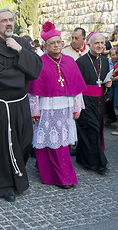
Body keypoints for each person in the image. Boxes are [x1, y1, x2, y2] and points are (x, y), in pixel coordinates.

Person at [0, 9, 42, 202]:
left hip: (21, 103)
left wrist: (20, 51)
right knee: (2, 146)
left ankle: (17, 176)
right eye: (4, 20)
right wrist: (22, 73)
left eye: (11, 20)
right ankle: (5, 185)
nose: (8, 23)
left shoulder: (22, 42)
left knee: (24, 141)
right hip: (1, 105)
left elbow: (36, 69)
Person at [28, 21, 86, 188]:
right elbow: (34, 91)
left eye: (58, 42)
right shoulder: (40, 62)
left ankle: (61, 173)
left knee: (61, 144)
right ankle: (52, 173)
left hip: (66, 107)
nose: (56, 45)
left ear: (63, 43)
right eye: (52, 43)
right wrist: (34, 111)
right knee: (47, 141)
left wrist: (76, 108)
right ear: (46, 46)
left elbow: (76, 88)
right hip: (46, 108)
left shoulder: (70, 61)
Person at [75, 33, 112, 175]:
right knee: (91, 130)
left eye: (102, 43)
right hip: (85, 101)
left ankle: (82, 156)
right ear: (89, 45)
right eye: (96, 43)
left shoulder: (104, 60)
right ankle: (98, 162)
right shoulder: (81, 61)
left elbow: (104, 81)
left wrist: (108, 85)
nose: (100, 46)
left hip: (99, 101)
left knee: (95, 129)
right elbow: (77, 85)